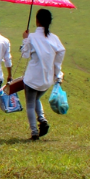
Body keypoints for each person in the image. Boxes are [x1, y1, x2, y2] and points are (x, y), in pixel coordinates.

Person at [21, 8, 65, 140]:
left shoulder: (32, 37)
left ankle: (34, 131)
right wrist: (57, 72)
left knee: (30, 103)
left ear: (37, 20)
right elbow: (61, 52)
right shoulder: (54, 38)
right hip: (47, 79)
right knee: (36, 99)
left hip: (32, 77)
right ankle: (42, 119)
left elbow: (24, 55)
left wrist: (25, 39)